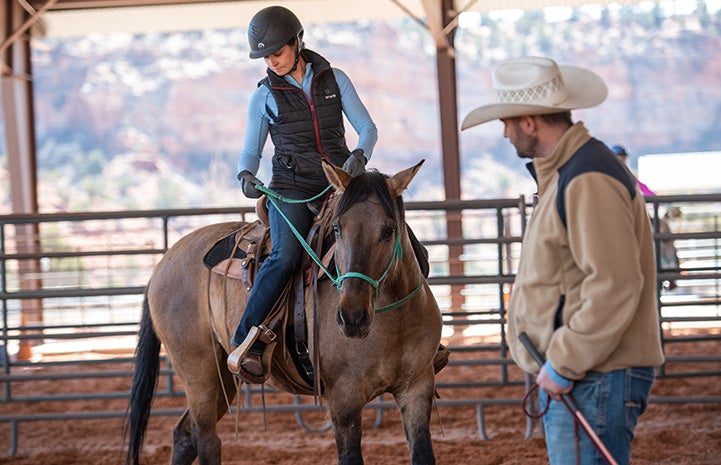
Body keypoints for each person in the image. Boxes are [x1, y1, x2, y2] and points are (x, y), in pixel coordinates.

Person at [461, 57, 665, 465]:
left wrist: (565, 362)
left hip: (593, 377)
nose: (504, 132)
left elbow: (614, 283)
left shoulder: (587, 177)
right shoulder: (574, 171)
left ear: (530, 121)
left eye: (507, 121)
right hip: (589, 375)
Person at [227, 5, 378, 380]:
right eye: (265, 56)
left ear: (297, 42)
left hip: (341, 184)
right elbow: (251, 150)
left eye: (276, 52)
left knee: (391, 232)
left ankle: (423, 331)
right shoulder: (263, 96)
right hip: (290, 188)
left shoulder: (335, 79)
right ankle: (244, 339)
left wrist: (360, 157)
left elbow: (368, 128)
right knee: (284, 256)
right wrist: (246, 174)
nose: (271, 61)